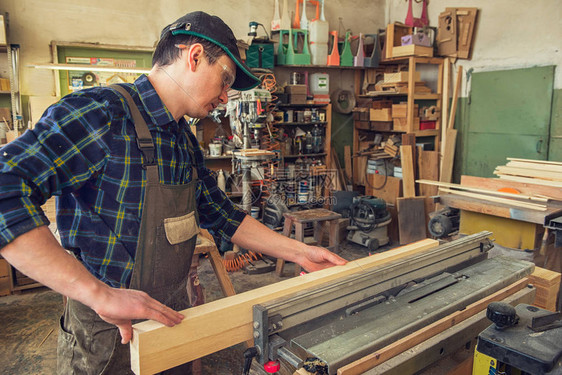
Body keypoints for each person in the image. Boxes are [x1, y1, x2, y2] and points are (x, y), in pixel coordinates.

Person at [0, 11, 347, 374]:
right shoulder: (100, 113)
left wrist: (301, 252)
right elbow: (5, 190)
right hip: (106, 334)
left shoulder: (182, 137)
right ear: (194, 56)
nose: (226, 98)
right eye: (225, 80)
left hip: (169, 321)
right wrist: (97, 293)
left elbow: (222, 215)